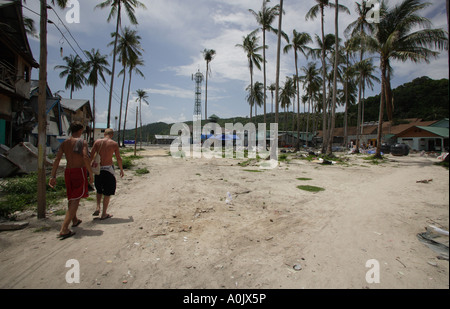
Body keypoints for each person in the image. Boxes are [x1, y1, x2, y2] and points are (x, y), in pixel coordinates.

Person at [49, 121, 94, 240]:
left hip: (68, 172)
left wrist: (52, 176)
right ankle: (64, 228)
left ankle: (74, 219)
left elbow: (57, 159)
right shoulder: (81, 142)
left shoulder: (65, 143)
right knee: (76, 199)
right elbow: (85, 157)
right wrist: (90, 173)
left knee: (71, 196)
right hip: (78, 171)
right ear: (80, 131)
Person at [90, 128, 124, 220]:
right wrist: (121, 169)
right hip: (108, 169)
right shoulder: (114, 144)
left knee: (99, 190)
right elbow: (118, 158)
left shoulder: (97, 142)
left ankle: (98, 206)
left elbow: (91, 156)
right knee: (107, 192)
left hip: (98, 169)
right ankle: (104, 213)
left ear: (104, 134)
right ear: (112, 135)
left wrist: (88, 170)